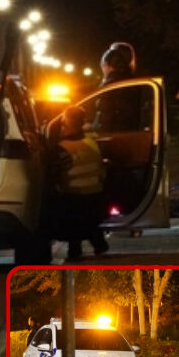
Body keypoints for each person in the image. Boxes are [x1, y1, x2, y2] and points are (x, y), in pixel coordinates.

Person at [51, 105, 108, 261]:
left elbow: (56, 172)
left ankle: (76, 251)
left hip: (73, 194)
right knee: (90, 223)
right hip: (95, 192)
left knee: (73, 224)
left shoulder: (63, 148)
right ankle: (99, 245)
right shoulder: (91, 142)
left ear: (66, 123)